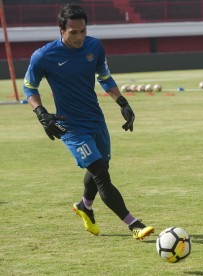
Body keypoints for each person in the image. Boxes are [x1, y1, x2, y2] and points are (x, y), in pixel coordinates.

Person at [23, 4, 154, 240]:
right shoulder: (43, 56)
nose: (80, 37)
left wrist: (122, 102)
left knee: (100, 166)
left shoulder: (95, 46)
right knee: (101, 174)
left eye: (83, 31)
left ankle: (84, 206)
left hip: (96, 120)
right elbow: (29, 87)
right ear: (61, 30)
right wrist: (41, 113)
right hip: (70, 127)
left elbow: (104, 77)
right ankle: (134, 224)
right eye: (73, 32)